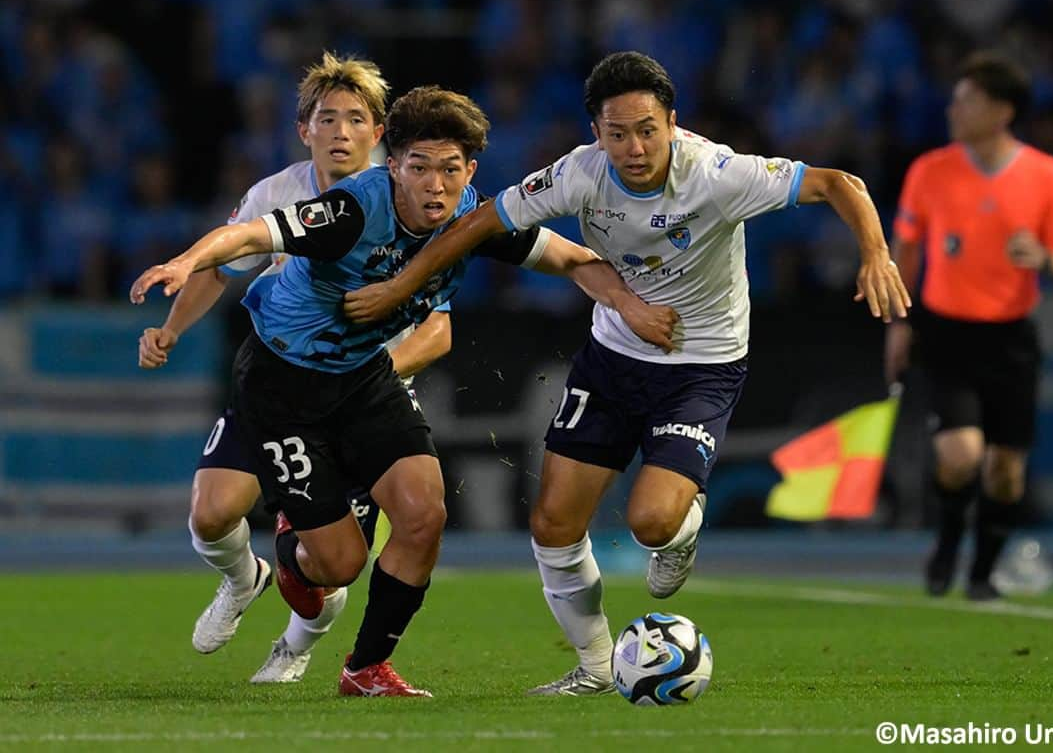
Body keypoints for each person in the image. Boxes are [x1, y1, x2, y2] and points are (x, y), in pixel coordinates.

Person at [342, 50, 910, 695]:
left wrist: (876, 255)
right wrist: (399, 289)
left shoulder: (720, 174)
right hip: (612, 360)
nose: (634, 147)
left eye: (647, 130)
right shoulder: (579, 175)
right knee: (554, 522)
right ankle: (591, 667)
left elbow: (841, 183)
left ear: (673, 123)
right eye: (617, 134)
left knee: (650, 523)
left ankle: (682, 529)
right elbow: (480, 222)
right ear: (596, 134)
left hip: (702, 365)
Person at [131, 84, 674, 697]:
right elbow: (253, 236)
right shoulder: (351, 211)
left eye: (449, 169)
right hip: (282, 386)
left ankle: (364, 670)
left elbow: (572, 259)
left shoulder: (475, 216)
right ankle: (285, 558)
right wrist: (184, 262)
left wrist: (630, 303)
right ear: (393, 166)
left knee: (424, 514)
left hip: (366, 379)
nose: (435, 186)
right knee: (337, 565)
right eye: (419, 168)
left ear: (469, 170)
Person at [136, 50, 454, 683]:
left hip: (363, 403)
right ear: (302, 129)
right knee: (211, 512)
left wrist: (365, 366)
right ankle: (242, 576)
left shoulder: (410, 195)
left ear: (379, 131)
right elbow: (224, 267)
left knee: (337, 558)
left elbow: (439, 328)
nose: (340, 132)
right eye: (326, 118)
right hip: (282, 389)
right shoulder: (276, 194)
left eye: (355, 119)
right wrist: (170, 329)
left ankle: (299, 644)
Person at [885, 51, 1053, 601]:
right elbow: (908, 249)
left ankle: (981, 574)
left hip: (1011, 338)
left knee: (1004, 472)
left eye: (966, 100)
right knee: (961, 455)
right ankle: (947, 543)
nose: (954, 108)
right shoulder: (930, 171)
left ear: (1001, 111)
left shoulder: (1047, 175)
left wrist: (1042, 257)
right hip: (947, 333)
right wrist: (901, 322)